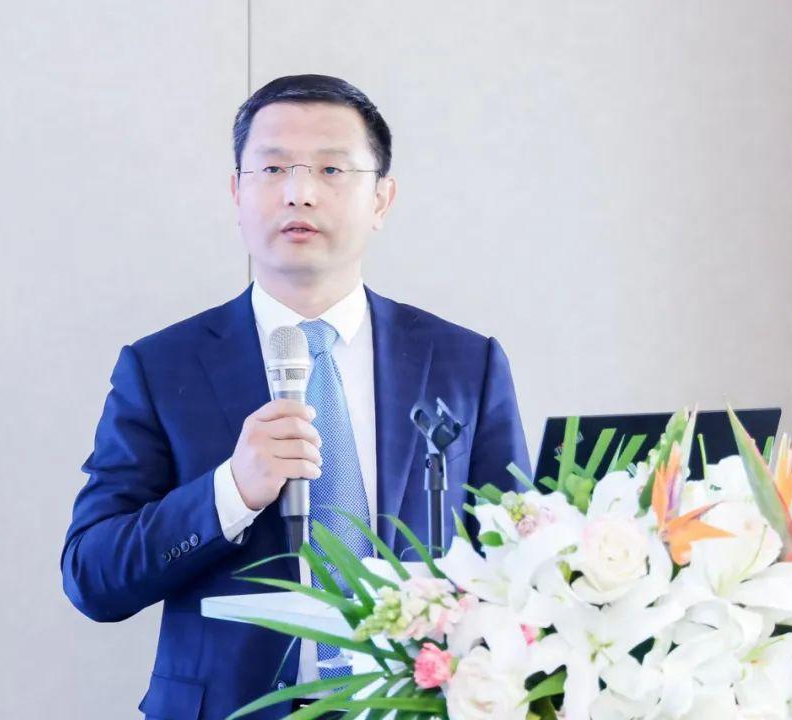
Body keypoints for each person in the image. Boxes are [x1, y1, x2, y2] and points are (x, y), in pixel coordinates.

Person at [60, 74, 529, 720]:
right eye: (274, 168)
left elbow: (518, 564)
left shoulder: (462, 363)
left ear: (382, 198)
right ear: (237, 193)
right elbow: (92, 577)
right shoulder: (161, 367)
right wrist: (230, 492)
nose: (299, 192)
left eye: (331, 169)